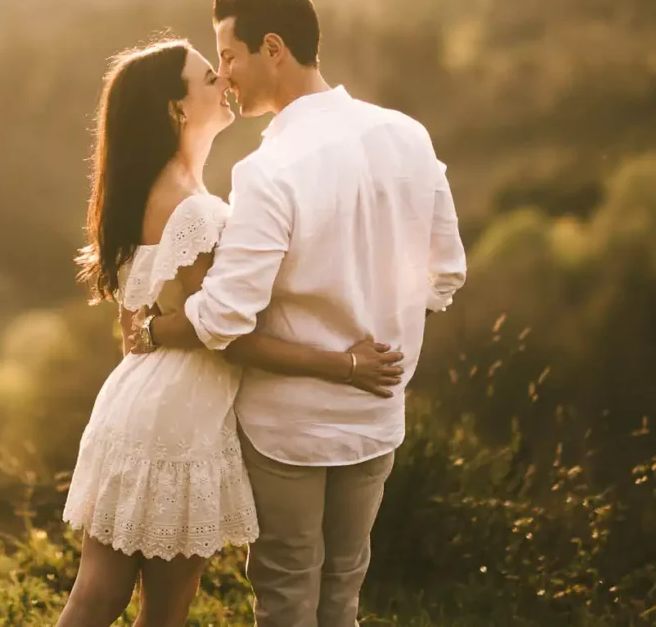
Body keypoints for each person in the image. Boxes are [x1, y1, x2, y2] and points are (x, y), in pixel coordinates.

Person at [136, 0, 468, 627]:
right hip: (376, 414)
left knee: (287, 595)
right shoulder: (408, 136)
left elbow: (227, 316)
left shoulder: (270, 168)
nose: (224, 76)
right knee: (342, 593)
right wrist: (383, 309)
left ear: (274, 49)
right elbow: (446, 273)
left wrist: (159, 327)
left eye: (228, 57)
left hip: (289, 428)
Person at [56, 36, 406, 627]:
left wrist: (157, 331)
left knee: (98, 595)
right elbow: (229, 334)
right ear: (178, 108)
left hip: (134, 404)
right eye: (207, 78)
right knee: (156, 612)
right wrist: (344, 364)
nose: (224, 80)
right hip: (178, 419)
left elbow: (138, 323)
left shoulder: (146, 193)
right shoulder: (194, 209)